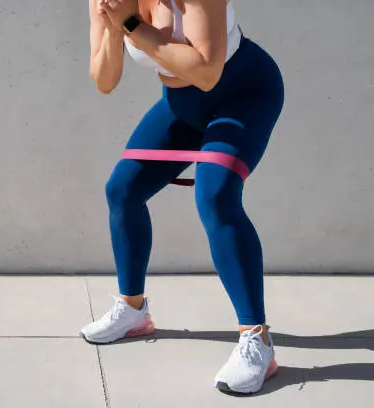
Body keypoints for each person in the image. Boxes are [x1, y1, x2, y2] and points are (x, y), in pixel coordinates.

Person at [79, 0, 285, 395]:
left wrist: (132, 24)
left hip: (243, 92)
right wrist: (111, 25)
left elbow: (206, 72)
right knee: (122, 191)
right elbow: (104, 80)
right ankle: (133, 311)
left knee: (216, 195)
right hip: (184, 105)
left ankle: (257, 340)